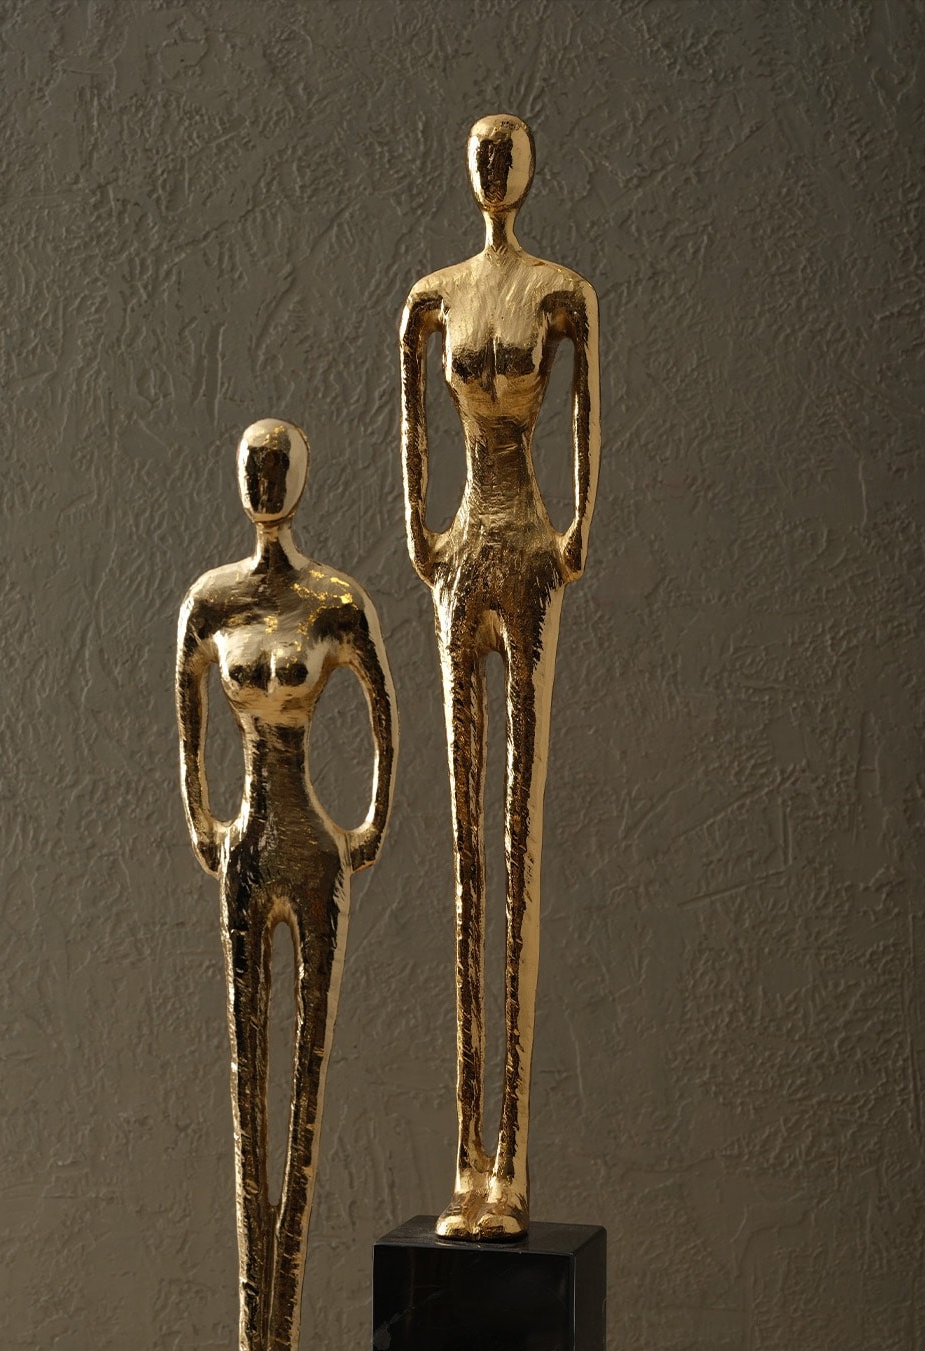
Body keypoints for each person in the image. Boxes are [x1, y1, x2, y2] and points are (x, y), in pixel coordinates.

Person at [175, 419, 397, 1351]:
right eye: (253, 466)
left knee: (300, 1122)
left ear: (300, 479)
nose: (265, 479)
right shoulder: (212, 602)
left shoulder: (335, 602)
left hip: (310, 852)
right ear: (241, 479)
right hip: (247, 855)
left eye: (279, 465)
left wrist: (367, 830)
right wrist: (204, 823)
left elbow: (388, 719)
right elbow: (187, 723)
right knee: (246, 1119)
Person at [399, 114, 601, 1240]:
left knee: (518, 843)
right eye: (480, 153)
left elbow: (586, 414)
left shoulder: (560, 293)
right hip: (462, 554)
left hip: (524, 548)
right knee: (465, 853)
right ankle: (464, 1160)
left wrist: (574, 536)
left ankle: (511, 1161)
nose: (493, 168)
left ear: (525, 169)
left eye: (506, 153)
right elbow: (410, 425)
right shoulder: (432, 297)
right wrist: (420, 535)